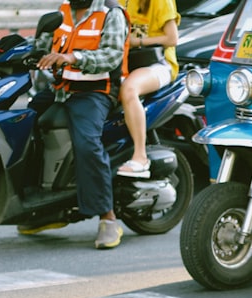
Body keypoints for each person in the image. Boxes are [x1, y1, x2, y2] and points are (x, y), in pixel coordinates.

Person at [21, 0, 128, 249]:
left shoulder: (111, 12)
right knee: (24, 126)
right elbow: (43, 44)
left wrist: (72, 57)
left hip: (95, 91)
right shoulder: (63, 11)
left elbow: (111, 55)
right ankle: (42, 207)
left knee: (87, 143)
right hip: (61, 88)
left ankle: (108, 218)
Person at [116, 0, 180, 177]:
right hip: (123, 64)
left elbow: (172, 38)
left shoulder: (160, 2)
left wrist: (136, 42)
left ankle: (140, 157)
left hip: (158, 63)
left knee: (129, 89)